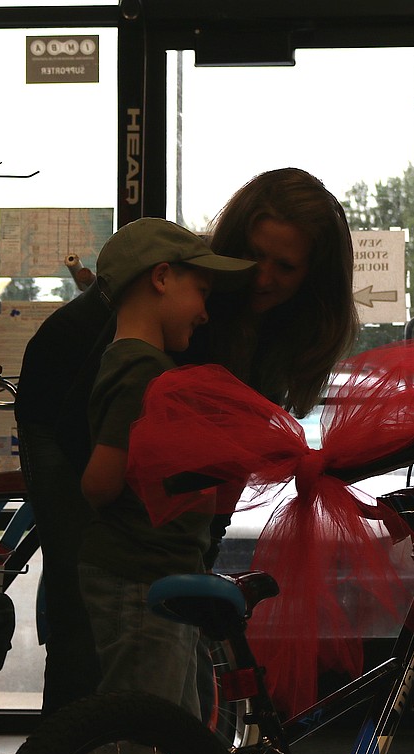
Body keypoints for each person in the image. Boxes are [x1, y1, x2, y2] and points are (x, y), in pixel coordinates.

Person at [14, 167, 359, 715]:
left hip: (130, 425)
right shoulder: (188, 293)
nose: (262, 276)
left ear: (312, 278)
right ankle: (72, 752)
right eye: (255, 254)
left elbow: (220, 459)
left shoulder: (282, 330)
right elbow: (100, 442)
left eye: (285, 267)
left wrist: (193, 561)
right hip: (67, 402)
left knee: (166, 597)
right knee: (93, 590)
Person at [75, 217, 254, 713]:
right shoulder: (145, 375)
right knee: (144, 740)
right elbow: (99, 483)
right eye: (200, 291)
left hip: (155, 575)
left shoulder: (139, 366)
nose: (205, 314)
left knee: (174, 736)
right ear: (160, 278)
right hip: (139, 578)